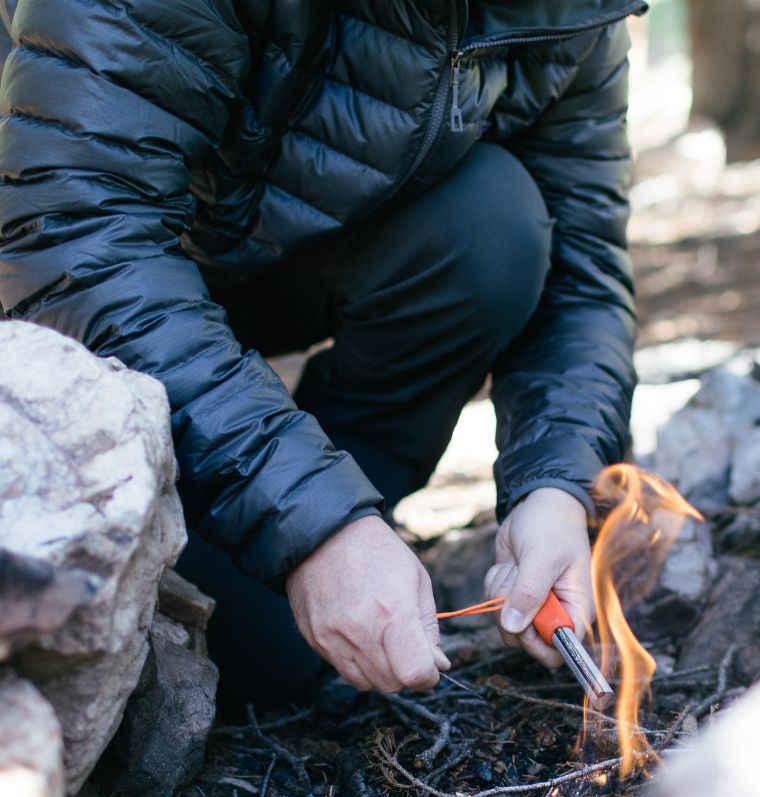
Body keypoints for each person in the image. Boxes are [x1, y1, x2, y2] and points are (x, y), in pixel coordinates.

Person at [0, 0, 644, 702]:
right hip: (47, 296)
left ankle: (346, 540)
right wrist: (312, 524)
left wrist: (556, 484)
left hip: (244, 254)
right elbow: (73, 241)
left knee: (491, 225)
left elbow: (583, 272)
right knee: (249, 667)